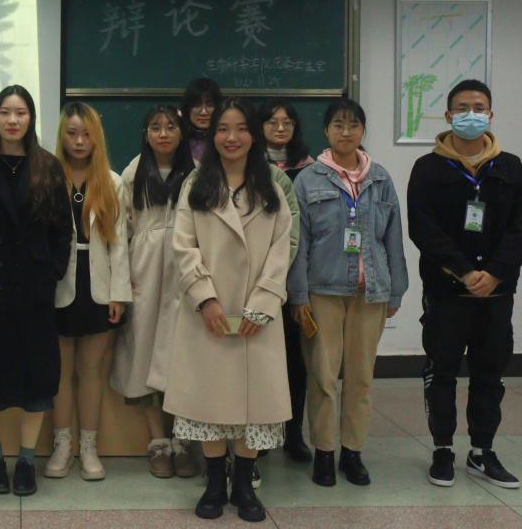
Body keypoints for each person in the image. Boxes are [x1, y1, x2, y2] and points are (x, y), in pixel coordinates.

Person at [166, 98, 292, 523]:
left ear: (253, 135)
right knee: (211, 402)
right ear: (212, 135)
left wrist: (263, 303)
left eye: (240, 129)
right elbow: (182, 247)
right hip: (209, 315)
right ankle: (215, 483)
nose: (231, 137)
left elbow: (281, 251)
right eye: (222, 128)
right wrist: (205, 298)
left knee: (255, 406)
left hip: (257, 317)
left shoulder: (271, 188)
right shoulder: (196, 186)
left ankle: (244, 485)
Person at [407, 79, 522, 489]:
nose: (471, 114)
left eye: (479, 107)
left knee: (489, 373)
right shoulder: (428, 168)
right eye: (462, 108)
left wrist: (494, 273)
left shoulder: (511, 168)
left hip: (497, 293)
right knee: (441, 372)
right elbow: (423, 228)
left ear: (491, 115)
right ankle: (442, 449)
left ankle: (482, 451)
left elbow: (521, 228)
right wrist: (463, 270)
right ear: (448, 116)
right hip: (446, 292)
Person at [288, 99, 409, 487]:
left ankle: (352, 452)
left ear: (362, 131)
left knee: (360, 377)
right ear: (326, 130)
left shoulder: (380, 178)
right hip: (322, 292)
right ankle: (324, 452)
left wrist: (396, 290)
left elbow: (393, 238)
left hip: (369, 293)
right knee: (322, 376)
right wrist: (298, 295)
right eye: (338, 124)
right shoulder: (308, 179)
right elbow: (299, 244)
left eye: (354, 125)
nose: (346, 131)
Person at [0, 85, 73, 497]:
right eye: (5, 112)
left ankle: (26, 461)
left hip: (32, 291)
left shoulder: (48, 166)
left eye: (21, 112)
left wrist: (51, 273)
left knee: (35, 381)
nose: (12, 120)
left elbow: (62, 230)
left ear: (31, 118)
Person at [46, 101, 132, 482]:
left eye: (86, 134)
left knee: (92, 371)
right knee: (61, 372)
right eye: (72, 133)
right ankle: (62, 446)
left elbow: (120, 244)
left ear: (97, 138)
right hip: (58, 283)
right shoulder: (49, 176)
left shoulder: (112, 182)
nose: (79, 141)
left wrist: (119, 294)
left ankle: (89, 447)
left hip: (99, 286)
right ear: (62, 136)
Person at [110, 105, 197, 479]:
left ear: (182, 133)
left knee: (181, 358)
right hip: (143, 273)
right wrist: (122, 282)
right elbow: (120, 232)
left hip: (183, 274)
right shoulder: (133, 173)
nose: (163, 133)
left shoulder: (197, 174)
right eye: (155, 127)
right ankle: (158, 441)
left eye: (171, 127)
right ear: (146, 134)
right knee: (143, 357)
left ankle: (182, 440)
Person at [259, 99, 315, 463]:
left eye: (288, 122)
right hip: (259, 277)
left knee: (296, 360)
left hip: (296, 278)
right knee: (262, 360)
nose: (280, 128)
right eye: (272, 121)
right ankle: (262, 433)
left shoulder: (309, 170)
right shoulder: (247, 166)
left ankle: (294, 433)